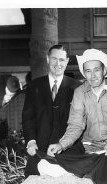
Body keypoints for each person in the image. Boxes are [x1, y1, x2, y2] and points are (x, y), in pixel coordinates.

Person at [47, 48, 107, 157]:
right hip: (89, 147)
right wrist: (61, 145)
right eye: (88, 71)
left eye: (97, 70)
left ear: (104, 71)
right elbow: (76, 125)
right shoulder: (79, 93)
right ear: (84, 74)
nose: (93, 75)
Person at [22, 44, 82, 177]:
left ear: (66, 62)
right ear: (48, 59)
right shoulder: (34, 86)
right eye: (54, 59)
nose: (58, 63)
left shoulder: (78, 87)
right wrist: (31, 142)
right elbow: (28, 118)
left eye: (61, 60)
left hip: (68, 154)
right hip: (39, 152)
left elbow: (80, 122)